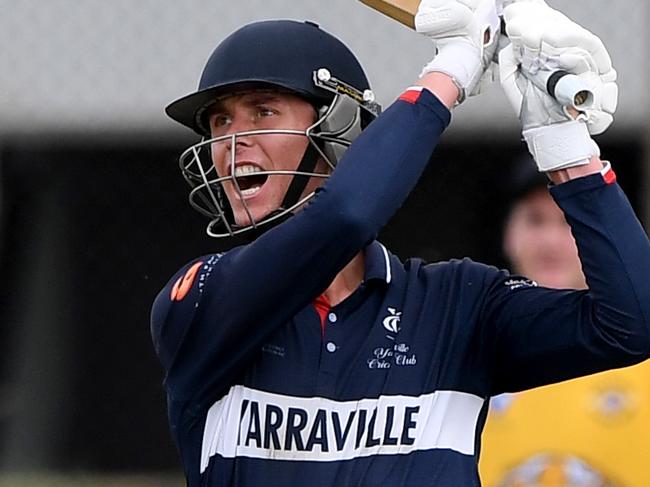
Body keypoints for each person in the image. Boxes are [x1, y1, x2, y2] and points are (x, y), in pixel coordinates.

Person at [150, 1, 650, 486]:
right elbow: (345, 217)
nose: (234, 141)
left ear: (341, 126)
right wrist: (453, 69)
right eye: (221, 121)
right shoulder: (202, 301)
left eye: (263, 112)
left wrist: (563, 142)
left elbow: (632, 323)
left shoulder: (456, 305)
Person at [478, 163, 650, 487]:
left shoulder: (645, 354)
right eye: (535, 220)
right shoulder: (463, 346)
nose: (551, 241)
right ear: (507, 233)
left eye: (568, 223)